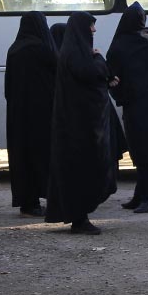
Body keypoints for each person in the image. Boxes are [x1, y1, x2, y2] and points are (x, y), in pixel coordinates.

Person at [46, 12, 118, 235]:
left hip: (79, 124)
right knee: (82, 170)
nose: (94, 30)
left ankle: (80, 215)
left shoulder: (75, 52)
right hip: (79, 127)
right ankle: (79, 219)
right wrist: (99, 59)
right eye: (91, 26)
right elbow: (90, 73)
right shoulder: (77, 55)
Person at [106, 2, 148, 214]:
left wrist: (120, 94)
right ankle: (141, 195)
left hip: (132, 103)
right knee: (144, 151)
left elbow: (111, 71)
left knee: (140, 152)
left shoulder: (120, 43)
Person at [5, 12, 57, 218]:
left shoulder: (15, 49)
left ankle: (27, 203)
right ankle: (43, 201)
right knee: (42, 157)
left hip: (18, 114)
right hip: (41, 114)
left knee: (23, 158)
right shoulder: (41, 49)